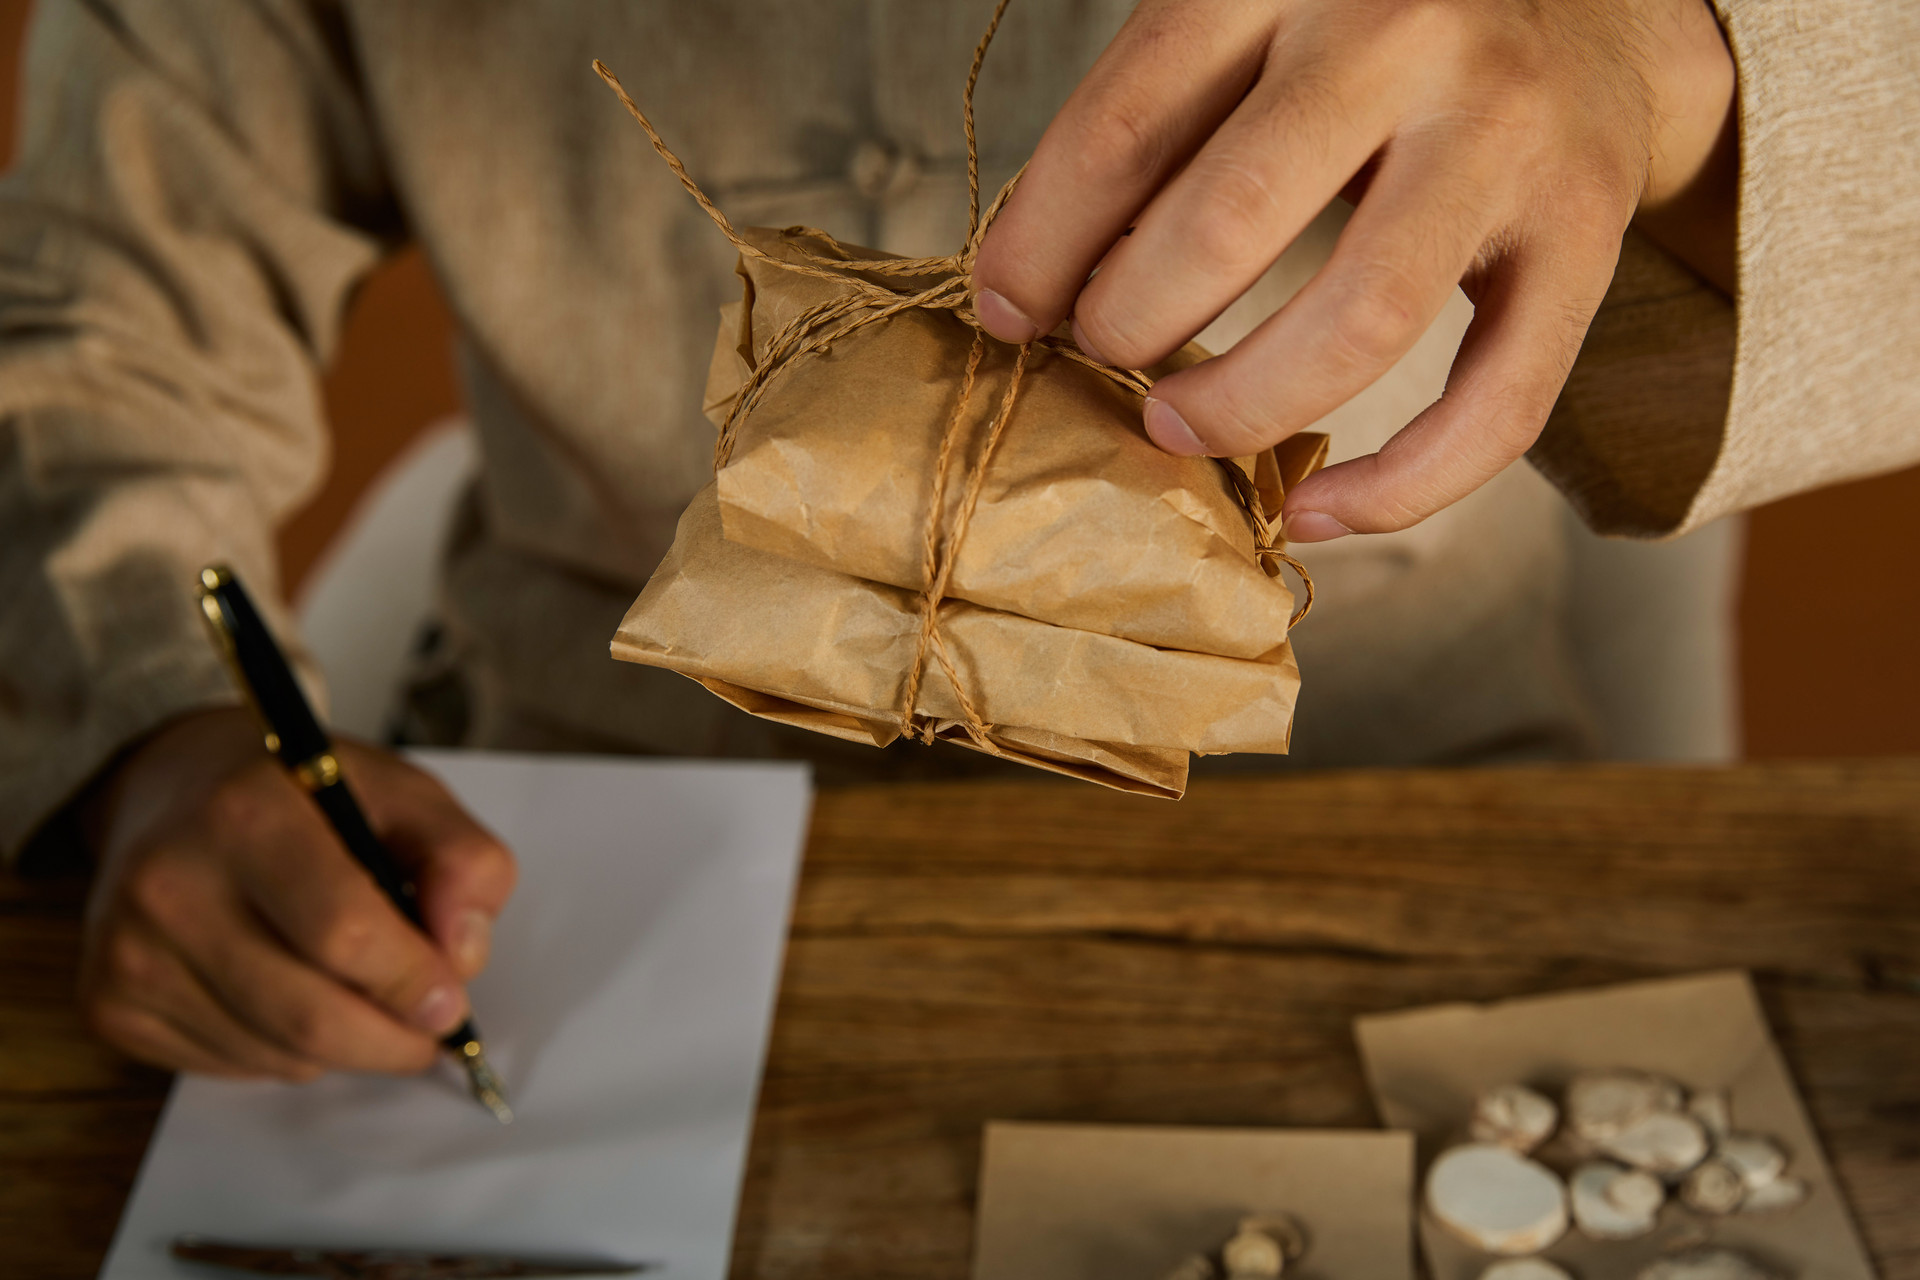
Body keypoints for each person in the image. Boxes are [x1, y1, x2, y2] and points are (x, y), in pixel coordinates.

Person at [0, 1, 1913, 1082]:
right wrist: (153, 739)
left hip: (1376, 859)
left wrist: (1667, 65)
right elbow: (95, 312)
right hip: (553, 905)